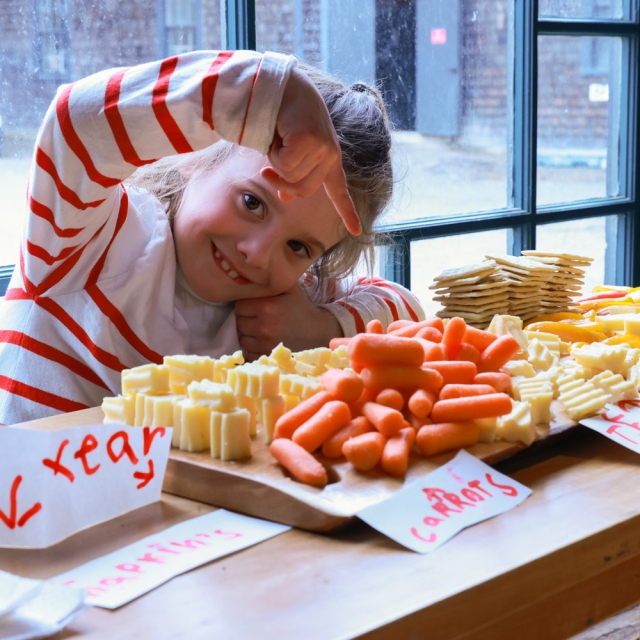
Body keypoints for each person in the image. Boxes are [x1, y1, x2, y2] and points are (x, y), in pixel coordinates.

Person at [0, 50, 424, 425]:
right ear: (194, 156)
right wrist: (267, 94)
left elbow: (407, 308)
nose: (257, 255)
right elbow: (76, 126)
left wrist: (321, 327)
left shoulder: (284, 300)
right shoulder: (88, 241)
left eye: (299, 247)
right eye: (251, 202)